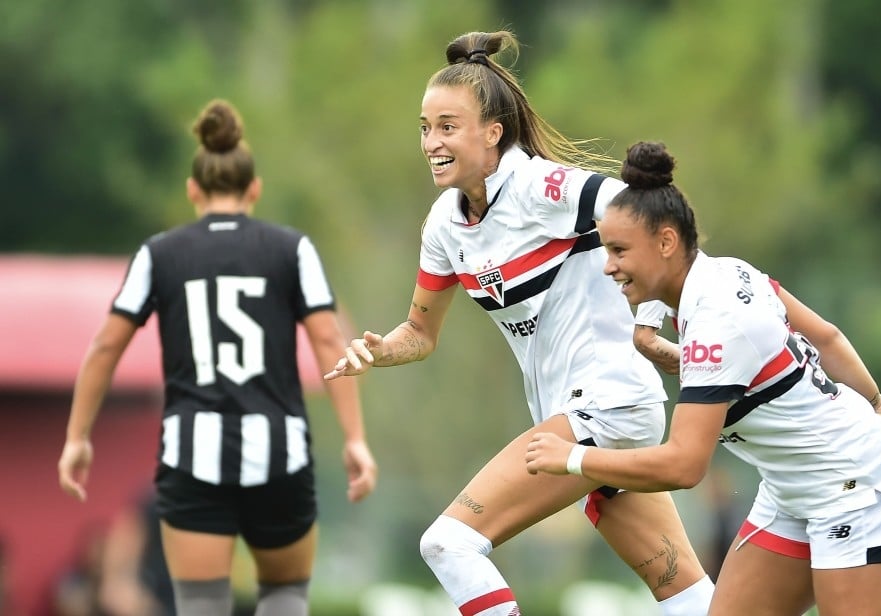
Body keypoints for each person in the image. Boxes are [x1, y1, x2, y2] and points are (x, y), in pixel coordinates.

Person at [326, 30, 715, 616]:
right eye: (426, 127)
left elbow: (662, 226)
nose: (432, 141)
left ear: (493, 133)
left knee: (449, 543)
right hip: (585, 416)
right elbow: (421, 334)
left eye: (448, 126)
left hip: (606, 405)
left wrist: (655, 326)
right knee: (685, 593)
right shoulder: (443, 226)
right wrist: (379, 351)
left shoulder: (544, 188)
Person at [525, 141, 881, 616]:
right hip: (791, 489)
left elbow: (683, 466)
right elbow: (825, 337)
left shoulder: (716, 324)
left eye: (618, 250)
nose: (608, 264)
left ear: (666, 243)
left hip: (853, 484)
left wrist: (575, 458)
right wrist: (876, 401)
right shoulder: (730, 273)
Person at [57, 99, 378, 616]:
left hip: (192, 457)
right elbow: (327, 341)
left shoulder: (159, 254)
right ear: (254, 190)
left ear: (192, 191)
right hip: (281, 454)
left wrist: (77, 437)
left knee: (202, 605)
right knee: (285, 599)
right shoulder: (292, 249)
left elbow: (105, 347)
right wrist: (356, 440)